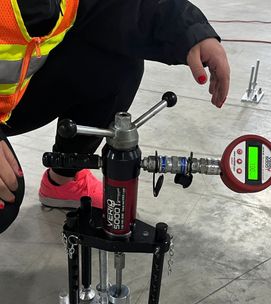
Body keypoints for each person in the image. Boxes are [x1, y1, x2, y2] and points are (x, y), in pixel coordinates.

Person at [0, 0, 230, 233]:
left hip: (16, 95)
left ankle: (63, 179)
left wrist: (192, 32)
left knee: (116, 61)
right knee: (3, 201)